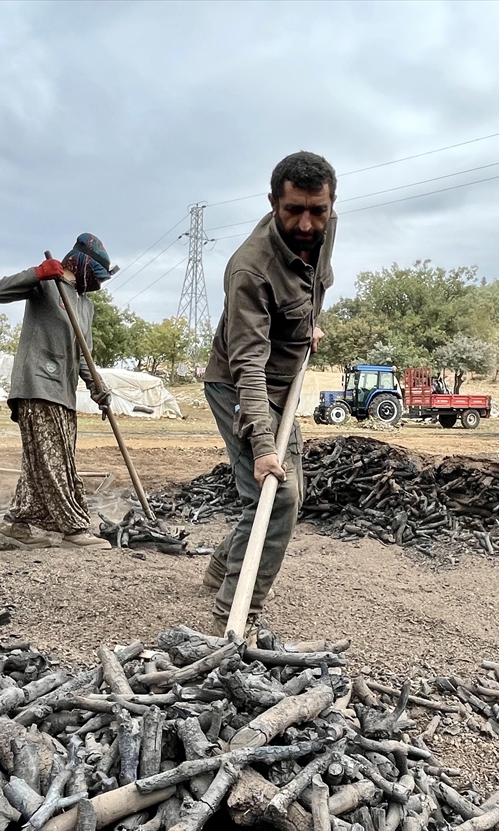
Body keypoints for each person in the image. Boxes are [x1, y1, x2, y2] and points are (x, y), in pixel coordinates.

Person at [201, 151, 337, 635]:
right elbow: (248, 365)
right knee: (274, 497)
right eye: (292, 210)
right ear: (272, 203)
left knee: (283, 497)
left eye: (317, 210)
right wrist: (262, 447)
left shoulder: (324, 226)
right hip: (240, 382)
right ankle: (231, 619)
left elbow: (311, 287)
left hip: (284, 375)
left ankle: (220, 569)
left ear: (330, 204)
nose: (305, 223)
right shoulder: (250, 271)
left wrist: (307, 325)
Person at [0, 233, 116, 551]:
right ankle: (73, 528)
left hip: (64, 394)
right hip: (36, 387)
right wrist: (37, 272)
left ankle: (17, 526)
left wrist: (99, 389)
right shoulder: (46, 285)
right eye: (97, 275)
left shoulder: (86, 306)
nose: (98, 284)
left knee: (44, 463)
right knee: (54, 463)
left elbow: (83, 354)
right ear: (84, 264)